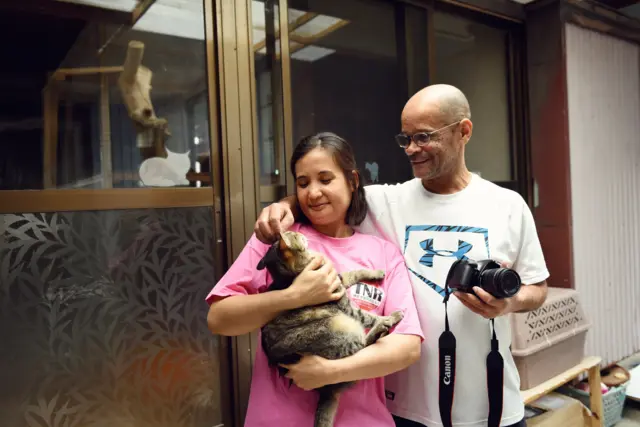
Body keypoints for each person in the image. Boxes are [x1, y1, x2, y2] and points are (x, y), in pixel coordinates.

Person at [253, 84, 550, 427]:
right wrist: (283, 205)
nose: (411, 149)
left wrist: (509, 304)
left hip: (493, 405)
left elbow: (537, 288)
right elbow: (325, 193)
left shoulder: (507, 205)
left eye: (423, 137)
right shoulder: (385, 202)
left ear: (463, 131)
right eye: (405, 138)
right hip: (404, 410)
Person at [206, 132, 424, 426]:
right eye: (303, 182)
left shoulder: (382, 253)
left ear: (352, 180)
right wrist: (294, 297)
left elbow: (407, 346)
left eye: (325, 179)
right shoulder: (280, 242)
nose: (313, 193)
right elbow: (219, 318)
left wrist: (331, 371)